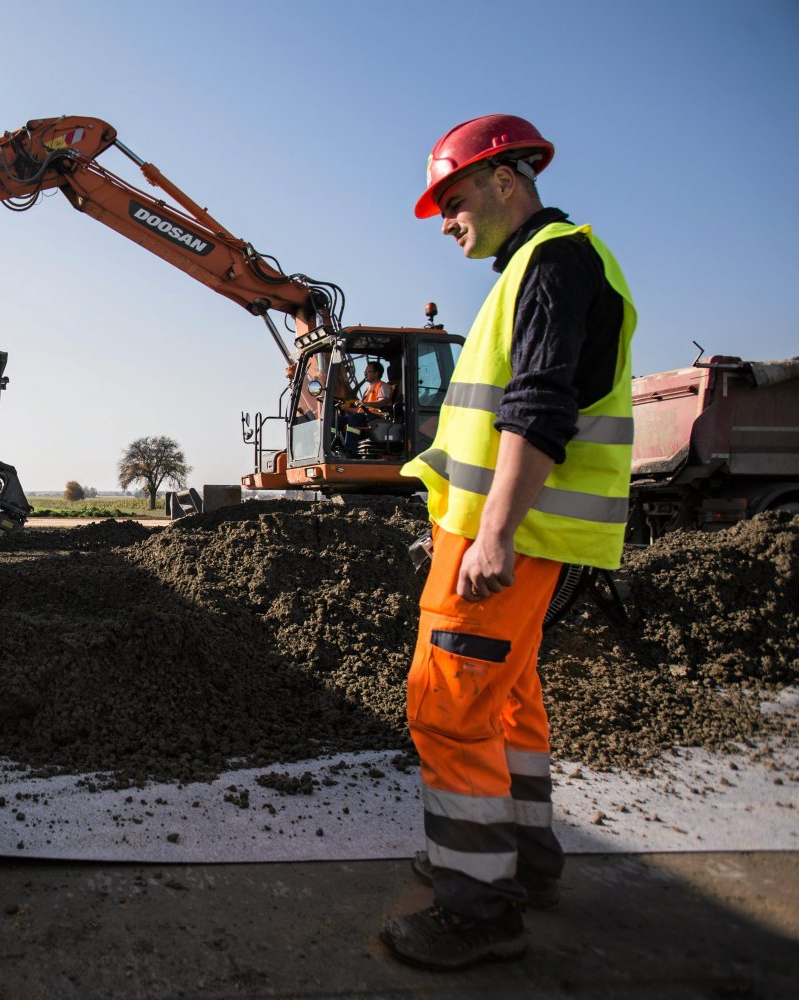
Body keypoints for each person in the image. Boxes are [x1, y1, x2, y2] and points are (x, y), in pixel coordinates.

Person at [381, 114, 636, 969]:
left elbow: (537, 409)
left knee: (448, 706)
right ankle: (523, 860)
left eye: (450, 200)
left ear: (503, 179)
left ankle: (478, 906)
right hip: (512, 536)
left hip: (511, 541)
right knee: (511, 704)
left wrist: (490, 536)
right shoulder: (540, 264)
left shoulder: (552, 259)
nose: (445, 220)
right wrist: (458, 525)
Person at [339, 360, 395, 452]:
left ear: (376, 374)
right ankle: (334, 448)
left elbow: (384, 402)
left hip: (376, 417)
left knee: (354, 419)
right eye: (365, 371)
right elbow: (361, 409)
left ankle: (350, 450)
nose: (365, 373)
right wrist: (347, 409)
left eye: (368, 371)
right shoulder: (367, 389)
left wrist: (365, 404)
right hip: (365, 416)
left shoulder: (382, 386)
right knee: (337, 420)